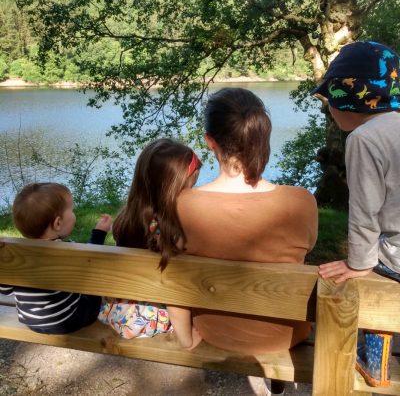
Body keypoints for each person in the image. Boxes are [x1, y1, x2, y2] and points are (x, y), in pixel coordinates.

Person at [176, 88, 318, 395]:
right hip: (285, 334)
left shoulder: (183, 205)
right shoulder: (301, 203)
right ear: (261, 139)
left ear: (209, 141)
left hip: (215, 331)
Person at [316, 41, 400, 388]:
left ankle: (372, 362)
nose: (329, 110)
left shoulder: (365, 139)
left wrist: (359, 263)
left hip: (396, 255)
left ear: (348, 99)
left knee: (364, 282)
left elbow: (365, 213)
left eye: (330, 100)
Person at [106, 138, 203, 349]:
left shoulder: (127, 218)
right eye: (189, 189)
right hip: (150, 315)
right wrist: (187, 340)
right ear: (174, 190)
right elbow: (175, 290)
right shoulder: (171, 234)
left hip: (120, 310)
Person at [0, 182, 112, 334]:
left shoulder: (14, 254)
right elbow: (91, 264)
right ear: (58, 223)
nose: (74, 214)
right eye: (72, 210)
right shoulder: (66, 251)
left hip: (31, 321)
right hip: (69, 320)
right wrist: (99, 233)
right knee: (95, 291)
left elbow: (5, 290)